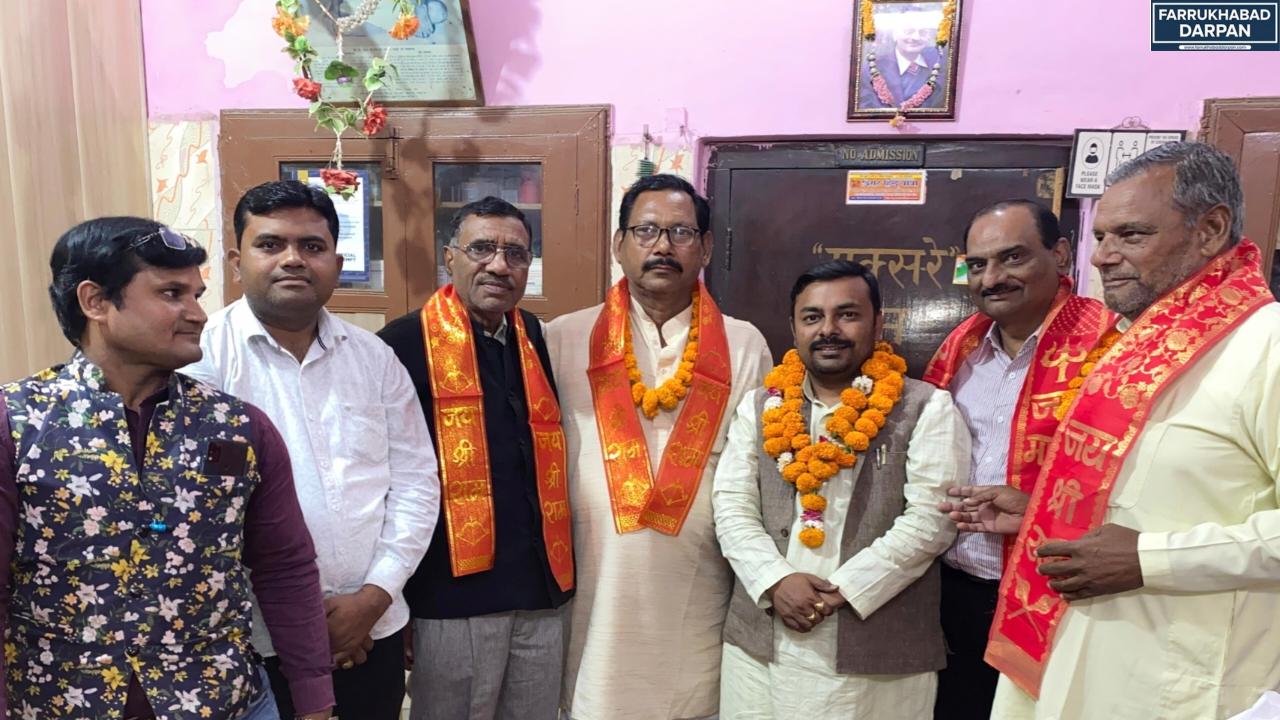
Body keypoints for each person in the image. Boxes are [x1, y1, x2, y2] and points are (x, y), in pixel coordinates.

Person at [947, 142, 1280, 719]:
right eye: (1101, 236)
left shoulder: (1266, 344)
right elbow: (1149, 495)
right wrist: (1038, 513)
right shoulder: (1133, 345)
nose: (1102, 257)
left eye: (1131, 235)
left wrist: (1152, 559)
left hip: (1183, 681)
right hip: (1083, 659)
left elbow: (1145, 540)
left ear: (1210, 229)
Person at [0, 217, 334, 719]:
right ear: (95, 302)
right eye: (172, 293)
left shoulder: (238, 428)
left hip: (226, 703)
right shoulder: (19, 423)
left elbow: (285, 568)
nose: (197, 314)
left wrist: (314, 699)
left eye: (196, 295)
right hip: (58, 703)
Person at [183, 181, 440, 719]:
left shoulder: (374, 358)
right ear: (236, 262)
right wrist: (305, 624)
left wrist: (373, 597)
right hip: (252, 643)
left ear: (337, 263)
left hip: (373, 627)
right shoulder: (198, 361)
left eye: (312, 246)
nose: (293, 259)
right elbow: (196, 511)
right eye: (270, 244)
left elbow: (417, 484)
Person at [547, 174, 773, 720]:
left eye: (681, 232)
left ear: (706, 247)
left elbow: (759, 475)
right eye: (646, 230)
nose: (663, 246)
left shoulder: (744, 344)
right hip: (589, 582)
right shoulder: (562, 337)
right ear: (618, 244)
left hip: (698, 584)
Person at [713, 261, 968, 719]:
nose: (828, 329)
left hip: (877, 651)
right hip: (763, 644)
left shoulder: (927, 407)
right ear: (794, 328)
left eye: (847, 314)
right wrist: (775, 580)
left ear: (878, 322)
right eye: (812, 317)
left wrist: (846, 588)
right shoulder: (760, 407)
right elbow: (731, 505)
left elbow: (933, 520)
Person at [379, 196, 574, 720]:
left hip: (540, 591)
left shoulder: (535, 337)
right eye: (482, 248)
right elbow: (384, 481)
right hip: (451, 596)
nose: (499, 265)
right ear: (450, 257)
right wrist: (397, 597)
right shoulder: (402, 344)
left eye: (516, 253)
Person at [923, 200, 1114, 720]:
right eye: (978, 264)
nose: (992, 278)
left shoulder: (1112, 348)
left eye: (1012, 257)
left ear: (1060, 254)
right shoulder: (961, 350)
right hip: (954, 593)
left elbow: (1137, 485)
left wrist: (1038, 510)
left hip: (1059, 595)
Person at [858, 12, 948, 111]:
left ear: (928, 37)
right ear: (895, 35)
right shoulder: (872, 68)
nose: (916, 37)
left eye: (922, 33)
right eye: (909, 31)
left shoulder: (941, 69)